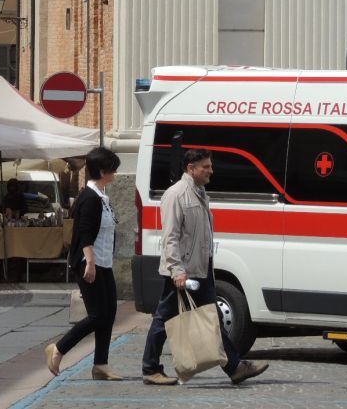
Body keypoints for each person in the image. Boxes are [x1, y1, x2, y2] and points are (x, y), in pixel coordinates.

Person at [141, 149, 268, 386]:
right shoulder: (176, 194)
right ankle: (150, 368)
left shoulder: (199, 192)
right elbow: (170, 236)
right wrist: (177, 270)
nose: (211, 170)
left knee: (213, 318)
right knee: (164, 319)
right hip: (184, 272)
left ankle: (234, 367)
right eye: (206, 167)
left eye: (210, 166)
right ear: (191, 168)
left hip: (201, 269)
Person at [45, 147, 123, 381]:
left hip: (103, 262)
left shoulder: (102, 197)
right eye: (112, 169)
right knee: (98, 315)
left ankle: (101, 364)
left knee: (109, 313)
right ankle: (58, 349)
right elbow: (84, 233)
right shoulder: (89, 198)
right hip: (90, 262)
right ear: (102, 171)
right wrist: (89, 262)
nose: (115, 174)